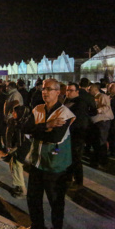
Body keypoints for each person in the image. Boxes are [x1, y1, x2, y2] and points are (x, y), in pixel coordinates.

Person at [22, 79, 76, 229]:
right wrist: (47, 125)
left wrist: (35, 131)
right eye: (43, 89)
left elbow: (54, 138)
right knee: (33, 199)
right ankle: (37, 225)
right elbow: (24, 128)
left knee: (56, 203)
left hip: (56, 167)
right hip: (37, 163)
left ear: (58, 92)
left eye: (48, 89)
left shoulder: (65, 113)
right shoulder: (38, 109)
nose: (44, 92)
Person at [63, 82, 89, 190]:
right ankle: (68, 178)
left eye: (71, 90)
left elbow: (78, 120)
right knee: (69, 157)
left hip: (77, 134)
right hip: (69, 134)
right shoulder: (67, 101)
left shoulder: (80, 103)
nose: (68, 92)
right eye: (67, 90)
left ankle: (78, 182)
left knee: (76, 158)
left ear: (77, 92)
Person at [5, 105, 31, 198]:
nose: (13, 114)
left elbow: (25, 140)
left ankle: (23, 190)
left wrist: (15, 147)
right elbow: (9, 133)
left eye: (15, 112)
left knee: (17, 165)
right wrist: (9, 146)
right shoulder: (15, 121)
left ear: (20, 113)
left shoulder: (26, 123)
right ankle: (18, 186)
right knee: (13, 163)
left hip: (23, 146)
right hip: (17, 146)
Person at [89, 83, 114, 168]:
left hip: (103, 121)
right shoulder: (95, 97)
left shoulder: (102, 96)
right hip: (98, 121)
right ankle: (100, 160)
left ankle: (103, 161)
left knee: (101, 142)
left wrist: (97, 111)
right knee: (98, 141)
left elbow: (107, 107)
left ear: (94, 89)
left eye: (90, 89)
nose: (89, 91)